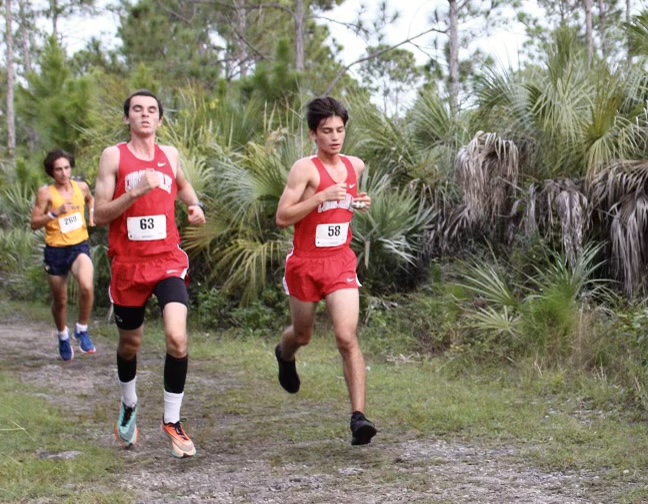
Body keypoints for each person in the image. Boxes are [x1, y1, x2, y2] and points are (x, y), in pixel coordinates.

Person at [93, 90, 206, 459]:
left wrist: (194, 205)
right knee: (131, 344)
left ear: (160, 120)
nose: (145, 115)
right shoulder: (114, 156)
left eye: (152, 110)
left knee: (177, 337)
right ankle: (129, 404)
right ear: (127, 118)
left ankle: (172, 421)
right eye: (137, 110)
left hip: (167, 260)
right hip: (128, 265)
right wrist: (136, 191)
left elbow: (183, 185)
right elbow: (99, 214)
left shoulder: (169, 155)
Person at [274, 96, 377, 446]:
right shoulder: (304, 170)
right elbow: (282, 218)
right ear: (313, 135)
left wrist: (358, 202)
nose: (335, 137)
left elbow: (347, 201)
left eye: (340, 130)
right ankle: (284, 354)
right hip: (305, 263)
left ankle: (358, 418)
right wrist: (319, 197)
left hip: (340, 262)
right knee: (302, 335)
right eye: (326, 131)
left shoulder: (355, 166)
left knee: (346, 336)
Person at [30, 149, 97, 361]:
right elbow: (34, 223)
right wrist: (54, 214)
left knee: (86, 286)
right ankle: (62, 336)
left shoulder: (81, 186)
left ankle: (81, 329)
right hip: (56, 250)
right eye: (58, 169)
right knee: (60, 300)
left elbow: (90, 199)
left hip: (79, 245)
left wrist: (92, 215)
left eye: (67, 168)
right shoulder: (46, 193)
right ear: (52, 171)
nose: (64, 173)